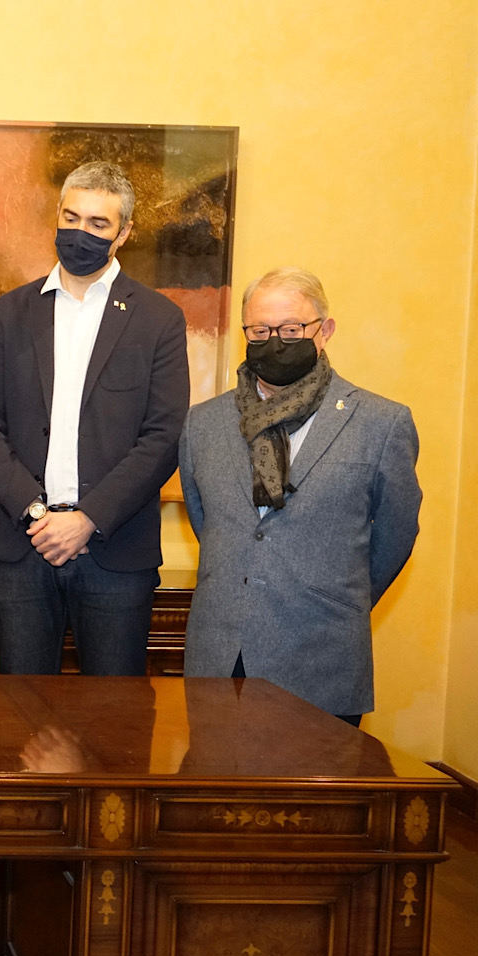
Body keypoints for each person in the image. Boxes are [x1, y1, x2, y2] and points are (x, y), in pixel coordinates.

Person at [0, 159, 191, 678]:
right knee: (18, 723)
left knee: (115, 729)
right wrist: (37, 516)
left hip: (116, 554)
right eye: (71, 217)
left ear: (124, 233)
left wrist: (87, 519)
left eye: (98, 224)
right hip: (22, 550)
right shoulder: (10, 313)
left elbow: (164, 435)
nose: (80, 233)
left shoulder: (158, 319)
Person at [179, 267, 421, 724]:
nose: (276, 342)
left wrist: (330, 595)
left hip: (321, 659)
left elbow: (396, 533)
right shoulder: (202, 425)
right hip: (218, 658)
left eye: (291, 330)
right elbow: (206, 521)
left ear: (324, 331)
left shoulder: (381, 424)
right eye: (260, 330)